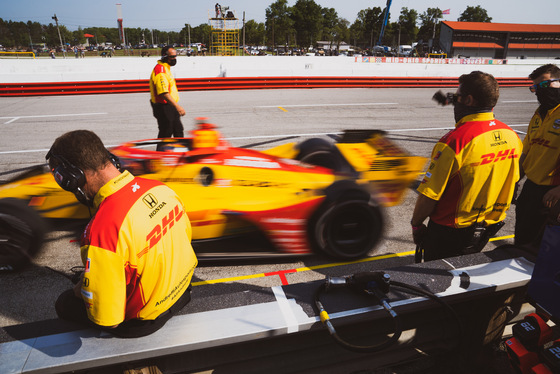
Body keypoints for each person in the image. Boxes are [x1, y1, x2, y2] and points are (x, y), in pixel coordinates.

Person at [47, 130, 197, 338]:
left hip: (146, 320)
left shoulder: (102, 231)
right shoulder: (161, 189)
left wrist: (81, 290)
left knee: (65, 303)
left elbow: (109, 320)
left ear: (75, 177)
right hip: (183, 293)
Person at [411, 71, 523, 261]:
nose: (455, 103)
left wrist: (416, 224)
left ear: (469, 100)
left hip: (450, 230)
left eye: (457, 98)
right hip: (487, 228)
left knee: (437, 280)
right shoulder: (512, 136)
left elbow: (429, 195)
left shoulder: (455, 141)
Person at [514, 63, 560, 247]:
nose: (540, 91)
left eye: (545, 85)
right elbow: (527, 152)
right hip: (531, 188)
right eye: (535, 88)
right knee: (522, 238)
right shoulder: (539, 114)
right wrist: (514, 181)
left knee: (542, 247)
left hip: (553, 192)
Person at [149, 46, 185, 139]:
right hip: (163, 106)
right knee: (166, 132)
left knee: (178, 130)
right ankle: (161, 153)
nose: (175, 59)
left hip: (170, 105)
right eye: (172, 57)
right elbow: (163, 93)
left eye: (175, 56)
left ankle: (179, 152)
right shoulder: (160, 71)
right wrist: (178, 107)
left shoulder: (166, 68)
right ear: (165, 56)